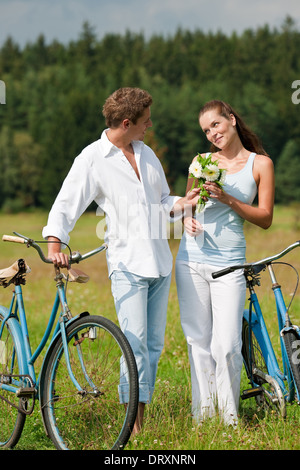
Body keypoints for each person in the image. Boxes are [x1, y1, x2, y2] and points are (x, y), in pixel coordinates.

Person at [42, 87, 200, 435]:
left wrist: (184, 202)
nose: (150, 125)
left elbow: (160, 201)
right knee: (133, 342)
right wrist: (56, 246)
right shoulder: (92, 159)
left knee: (154, 346)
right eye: (145, 121)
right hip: (128, 263)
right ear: (126, 122)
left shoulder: (146, 154)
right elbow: (65, 205)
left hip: (160, 262)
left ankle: (138, 419)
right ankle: (134, 426)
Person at [175, 100, 275, 426]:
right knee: (198, 342)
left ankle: (229, 421)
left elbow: (265, 218)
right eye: (206, 130)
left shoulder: (261, 164)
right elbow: (186, 204)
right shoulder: (201, 162)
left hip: (230, 262)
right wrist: (187, 217)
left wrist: (228, 199)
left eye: (215, 125)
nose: (212, 134)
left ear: (231, 119)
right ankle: (203, 419)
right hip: (191, 260)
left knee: (228, 343)